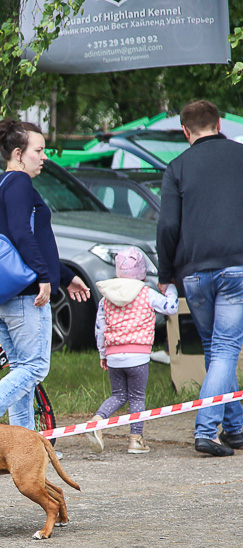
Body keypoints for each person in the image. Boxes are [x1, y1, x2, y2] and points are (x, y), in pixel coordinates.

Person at [0, 120, 91, 429]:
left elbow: (30, 240)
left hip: (2, 296)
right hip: (23, 297)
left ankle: (23, 443)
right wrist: (45, 276)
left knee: (21, 370)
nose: (44, 157)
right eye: (39, 151)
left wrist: (64, 275)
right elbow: (20, 233)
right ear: (19, 153)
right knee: (33, 368)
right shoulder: (19, 184)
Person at [157, 99, 243, 457]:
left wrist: (165, 274)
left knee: (215, 349)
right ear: (220, 123)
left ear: (185, 131)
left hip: (193, 274)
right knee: (224, 349)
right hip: (236, 268)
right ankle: (206, 431)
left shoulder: (177, 167)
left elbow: (168, 225)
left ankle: (236, 429)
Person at [86, 247, 178, 454]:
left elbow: (99, 328)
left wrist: (103, 353)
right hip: (138, 356)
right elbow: (171, 307)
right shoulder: (146, 293)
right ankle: (136, 440)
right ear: (142, 271)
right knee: (137, 397)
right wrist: (171, 289)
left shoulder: (106, 298)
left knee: (118, 395)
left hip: (114, 355)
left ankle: (96, 421)